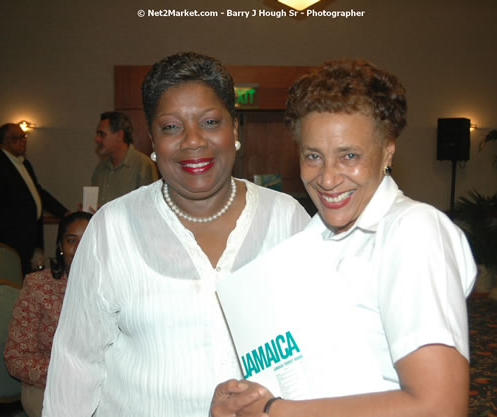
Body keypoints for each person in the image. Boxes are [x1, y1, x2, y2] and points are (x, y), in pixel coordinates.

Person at [42, 52, 311, 417]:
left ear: (235, 129)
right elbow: (76, 363)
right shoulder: (112, 228)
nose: (193, 141)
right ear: (150, 138)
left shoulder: (286, 219)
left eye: (210, 122)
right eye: (171, 127)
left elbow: (316, 344)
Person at [211, 59, 477, 417]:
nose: (328, 178)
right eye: (313, 157)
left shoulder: (412, 231)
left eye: (349, 156)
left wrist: (273, 411)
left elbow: (439, 406)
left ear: (387, 151)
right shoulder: (311, 236)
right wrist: (245, 399)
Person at [4, 211, 92, 417]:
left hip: (101, 385)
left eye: (87, 239)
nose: (79, 247)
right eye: (71, 240)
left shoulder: (113, 286)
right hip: (46, 387)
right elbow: (15, 358)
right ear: (60, 246)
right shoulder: (38, 286)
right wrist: (67, 373)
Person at [0, 123, 69, 274]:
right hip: (10, 242)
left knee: (29, 283)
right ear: (6, 142)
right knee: (12, 283)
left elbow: (38, 193)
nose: (24, 141)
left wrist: (63, 213)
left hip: (30, 238)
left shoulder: (24, 163)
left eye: (24, 137)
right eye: (19, 138)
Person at [91, 111, 158, 207]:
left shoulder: (143, 165)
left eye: (102, 134)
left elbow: (148, 208)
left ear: (119, 135)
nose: (96, 139)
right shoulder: (99, 169)